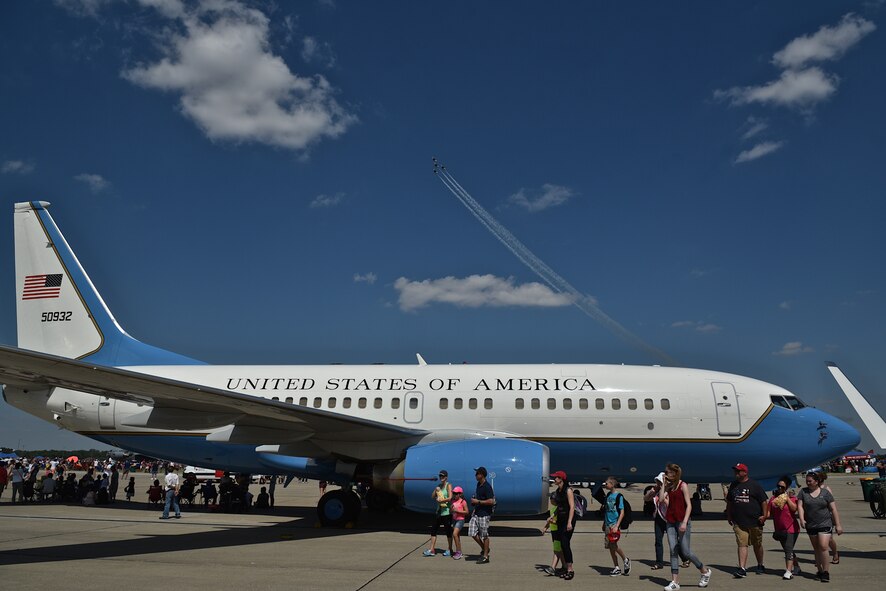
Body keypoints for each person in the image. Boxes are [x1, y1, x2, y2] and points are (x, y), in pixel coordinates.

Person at [660, 463, 712, 591]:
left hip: (682, 520)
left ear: (674, 473)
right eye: (665, 472)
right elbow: (661, 499)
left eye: (668, 472)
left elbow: (689, 505)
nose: (666, 474)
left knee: (686, 551)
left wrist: (684, 522)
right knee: (673, 550)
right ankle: (675, 581)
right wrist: (663, 485)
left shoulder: (683, 485)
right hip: (670, 521)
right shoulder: (669, 486)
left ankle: (704, 571)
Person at [798, 471, 843, 583]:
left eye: (810, 481)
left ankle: (826, 572)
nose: (808, 483)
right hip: (811, 524)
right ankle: (819, 570)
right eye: (806, 481)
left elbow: (833, 509)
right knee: (816, 548)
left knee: (823, 546)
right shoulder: (803, 492)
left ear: (816, 482)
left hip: (825, 523)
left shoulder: (825, 493)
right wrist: (802, 519)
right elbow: (800, 506)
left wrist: (838, 524)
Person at [726, 462, 768, 577]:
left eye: (738, 471)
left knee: (757, 544)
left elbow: (764, 501)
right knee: (742, 544)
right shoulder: (733, 485)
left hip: (755, 521)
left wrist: (764, 515)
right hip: (739, 521)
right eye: (735, 471)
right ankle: (742, 568)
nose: (736, 473)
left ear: (745, 472)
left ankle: (760, 564)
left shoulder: (754, 485)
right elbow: (729, 501)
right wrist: (729, 515)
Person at [645, 472, 689, 570]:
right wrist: (651, 492)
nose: (657, 484)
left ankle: (685, 558)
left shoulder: (669, 491)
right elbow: (646, 499)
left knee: (673, 542)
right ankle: (659, 562)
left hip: (669, 519)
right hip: (659, 518)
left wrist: (664, 498)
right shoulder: (656, 490)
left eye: (659, 482)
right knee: (658, 540)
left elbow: (671, 505)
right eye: (656, 482)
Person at [767, 475, 800, 580]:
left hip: (791, 528)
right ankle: (797, 566)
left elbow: (794, 509)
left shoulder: (792, 498)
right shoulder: (773, 498)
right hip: (779, 529)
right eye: (778, 486)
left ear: (787, 487)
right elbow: (768, 512)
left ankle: (788, 572)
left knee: (788, 550)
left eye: (782, 487)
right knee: (787, 549)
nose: (779, 488)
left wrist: (787, 499)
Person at [549, 470, 576, 579]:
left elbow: (572, 507)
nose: (554, 479)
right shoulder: (558, 491)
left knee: (565, 544)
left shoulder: (568, 490)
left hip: (568, 520)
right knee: (561, 544)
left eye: (556, 477)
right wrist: (553, 515)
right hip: (560, 520)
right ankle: (565, 567)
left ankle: (570, 569)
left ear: (561, 479)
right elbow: (559, 507)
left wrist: (569, 522)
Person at [603, 476, 631, 576]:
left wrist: (616, 525)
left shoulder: (619, 496)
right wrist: (604, 523)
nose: (605, 485)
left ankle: (625, 559)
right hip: (607, 524)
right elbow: (606, 511)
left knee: (613, 545)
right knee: (610, 547)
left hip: (614, 524)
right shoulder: (608, 496)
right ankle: (617, 567)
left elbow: (622, 512)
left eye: (607, 483)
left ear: (612, 484)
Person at [423, 469, 454, 556]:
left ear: (446, 477)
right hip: (439, 511)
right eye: (440, 476)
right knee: (433, 530)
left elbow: (450, 498)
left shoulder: (449, 485)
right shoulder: (439, 486)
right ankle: (432, 549)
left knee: (448, 531)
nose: (441, 477)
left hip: (446, 512)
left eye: (443, 476)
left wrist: (441, 500)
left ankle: (449, 549)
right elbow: (433, 496)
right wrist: (436, 490)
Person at [469, 466, 495, 564]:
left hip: (484, 514)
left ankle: (485, 556)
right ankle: (485, 548)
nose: (475, 475)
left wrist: (478, 501)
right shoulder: (478, 485)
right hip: (477, 512)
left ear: (482, 475)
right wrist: (475, 504)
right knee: (472, 532)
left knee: (484, 535)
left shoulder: (487, 487)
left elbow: (491, 501)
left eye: (477, 474)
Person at [818, 471, 840, 565]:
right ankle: (821, 558)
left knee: (830, 539)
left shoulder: (827, 489)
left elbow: (832, 505)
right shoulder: (812, 489)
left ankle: (835, 553)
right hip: (816, 518)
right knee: (818, 540)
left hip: (827, 517)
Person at [541, 492, 564, 576]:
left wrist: (551, 522)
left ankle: (553, 568)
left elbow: (559, 522)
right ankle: (564, 566)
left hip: (558, 532)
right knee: (560, 550)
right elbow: (550, 521)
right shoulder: (553, 509)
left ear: (554, 500)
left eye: (551, 498)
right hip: (554, 532)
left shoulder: (559, 509)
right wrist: (545, 527)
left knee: (557, 550)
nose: (550, 500)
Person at [450, 485, 468, 559]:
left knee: (454, 534)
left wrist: (457, 511)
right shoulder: (453, 501)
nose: (454, 495)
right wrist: (451, 510)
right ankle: (459, 550)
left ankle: (458, 552)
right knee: (457, 536)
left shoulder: (463, 502)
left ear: (460, 494)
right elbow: (451, 511)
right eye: (453, 493)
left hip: (460, 520)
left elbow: (467, 512)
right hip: (454, 520)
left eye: (456, 493)